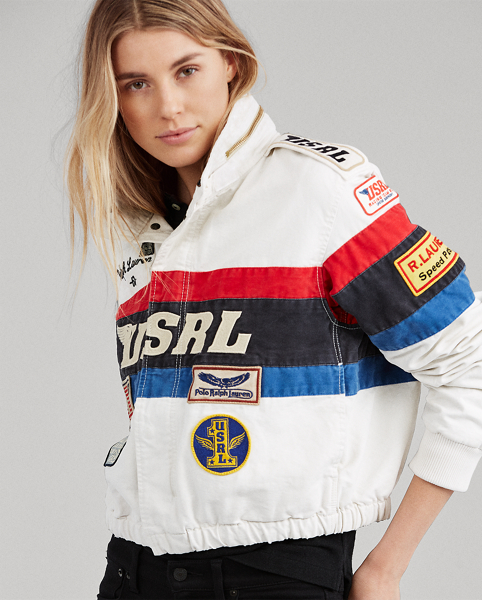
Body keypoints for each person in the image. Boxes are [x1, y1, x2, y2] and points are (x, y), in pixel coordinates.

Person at [65, 1, 482, 598]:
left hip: (275, 573)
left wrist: (387, 566)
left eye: (187, 70)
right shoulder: (139, 224)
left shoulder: (321, 191)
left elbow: (470, 362)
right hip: (135, 567)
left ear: (231, 63)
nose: (168, 106)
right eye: (137, 84)